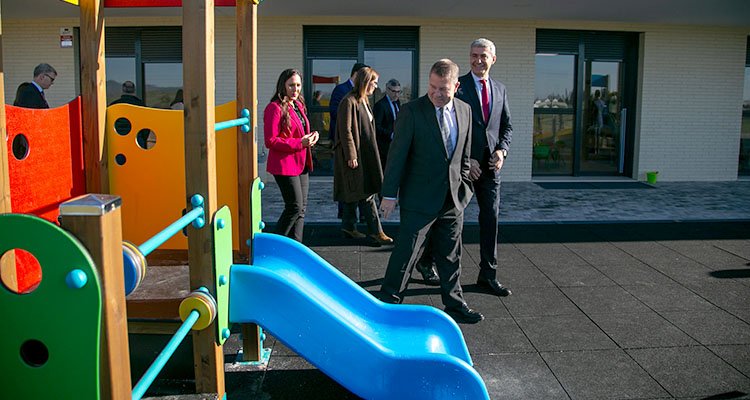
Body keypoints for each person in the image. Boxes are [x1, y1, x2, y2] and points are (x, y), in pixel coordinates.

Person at [379, 59, 483, 324]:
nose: (437, 93)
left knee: (451, 254)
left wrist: (464, 186)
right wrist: (389, 195)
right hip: (419, 198)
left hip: (452, 198)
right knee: (407, 253)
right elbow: (397, 156)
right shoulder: (412, 112)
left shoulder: (465, 110)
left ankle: (455, 305)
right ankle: (388, 306)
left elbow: (465, 155)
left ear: (456, 86)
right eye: (432, 86)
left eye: (443, 88)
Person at [333, 67, 393, 246]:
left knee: (357, 191)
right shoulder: (349, 101)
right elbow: (346, 130)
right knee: (366, 193)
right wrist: (351, 155)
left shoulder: (363, 100)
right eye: (374, 82)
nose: (376, 86)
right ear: (365, 82)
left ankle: (348, 226)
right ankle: (376, 231)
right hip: (354, 156)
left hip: (365, 154)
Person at [264, 68, 319, 242]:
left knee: (301, 210)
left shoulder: (298, 105)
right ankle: (275, 247)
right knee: (294, 207)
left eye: (298, 85)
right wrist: (299, 143)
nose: (295, 89)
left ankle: (296, 248)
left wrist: (313, 135)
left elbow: (300, 131)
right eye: (291, 85)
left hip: (301, 164)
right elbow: (270, 140)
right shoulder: (274, 108)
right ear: (283, 86)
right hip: (284, 165)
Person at [329, 62, 370, 221]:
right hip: (344, 144)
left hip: (359, 144)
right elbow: (335, 113)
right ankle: (345, 216)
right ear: (355, 74)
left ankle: (358, 216)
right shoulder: (341, 90)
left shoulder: (363, 93)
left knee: (358, 182)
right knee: (346, 181)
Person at [373, 78, 401, 170]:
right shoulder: (380, 105)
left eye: (398, 91)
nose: (396, 94)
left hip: (396, 145)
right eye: (394, 91)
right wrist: (391, 134)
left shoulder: (397, 103)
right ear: (387, 89)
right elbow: (376, 126)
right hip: (384, 147)